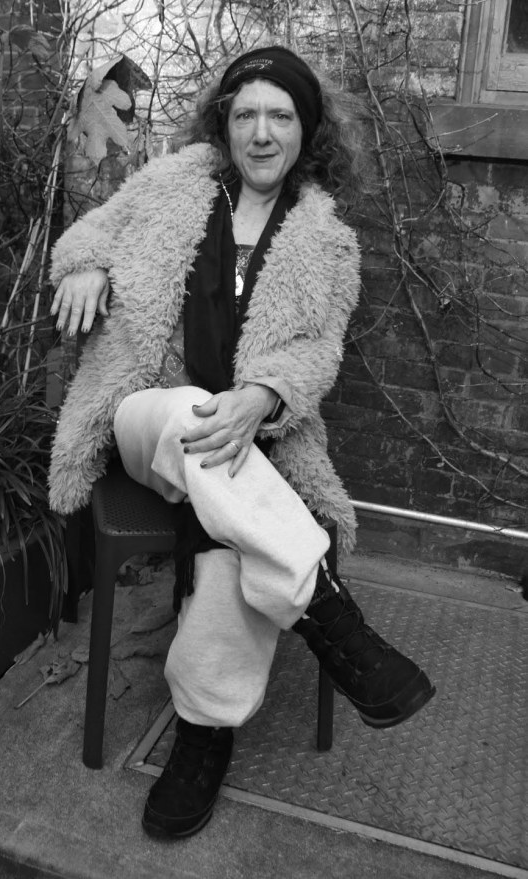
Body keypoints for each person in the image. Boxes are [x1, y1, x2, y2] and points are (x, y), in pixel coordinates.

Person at [48, 46, 435, 840]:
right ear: (223, 124)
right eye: (247, 113)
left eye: (280, 116)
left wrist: (262, 395)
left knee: (232, 540)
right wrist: (83, 266)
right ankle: (327, 608)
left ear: (306, 130)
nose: (262, 132)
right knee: (192, 413)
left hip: (252, 444)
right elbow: (93, 230)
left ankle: (203, 731)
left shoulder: (327, 241)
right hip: (145, 418)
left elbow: (318, 352)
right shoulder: (173, 183)